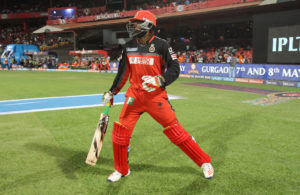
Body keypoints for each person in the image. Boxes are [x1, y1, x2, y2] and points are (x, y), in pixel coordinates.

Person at [102, 10, 214, 183]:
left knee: (176, 133)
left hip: (155, 97)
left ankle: (204, 162)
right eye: (134, 23)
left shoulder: (162, 45)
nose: (134, 26)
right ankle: (121, 170)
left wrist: (160, 79)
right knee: (120, 134)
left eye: (138, 23)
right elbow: (123, 73)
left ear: (148, 26)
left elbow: (175, 69)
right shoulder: (129, 45)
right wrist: (112, 92)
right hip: (134, 97)